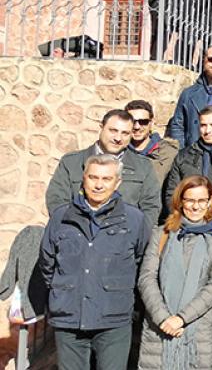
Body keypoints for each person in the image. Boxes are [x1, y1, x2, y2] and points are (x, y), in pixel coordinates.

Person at [40, 154, 151, 370]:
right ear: (84, 178)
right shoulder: (61, 217)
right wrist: (64, 291)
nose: (98, 185)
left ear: (118, 182)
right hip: (69, 317)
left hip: (113, 319)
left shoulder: (134, 219)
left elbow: (140, 260)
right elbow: (47, 262)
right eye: (93, 177)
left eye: (106, 179)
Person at [137, 176, 212, 370]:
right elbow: (146, 278)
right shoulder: (161, 233)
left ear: (210, 201)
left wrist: (181, 318)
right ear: (180, 201)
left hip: (200, 332)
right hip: (159, 329)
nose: (195, 207)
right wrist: (163, 318)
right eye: (189, 200)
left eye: (201, 200)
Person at [46, 109, 161, 225]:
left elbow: (151, 206)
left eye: (125, 133)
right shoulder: (72, 162)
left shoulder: (143, 167)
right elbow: (57, 201)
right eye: (113, 130)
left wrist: (135, 235)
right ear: (101, 127)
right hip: (77, 234)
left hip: (125, 236)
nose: (118, 138)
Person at [126, 99, 180, 185]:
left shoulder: (169, 153)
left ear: (151, 123)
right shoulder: (119, 152)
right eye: (132, 121)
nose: (137, 127)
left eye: (143, 122)